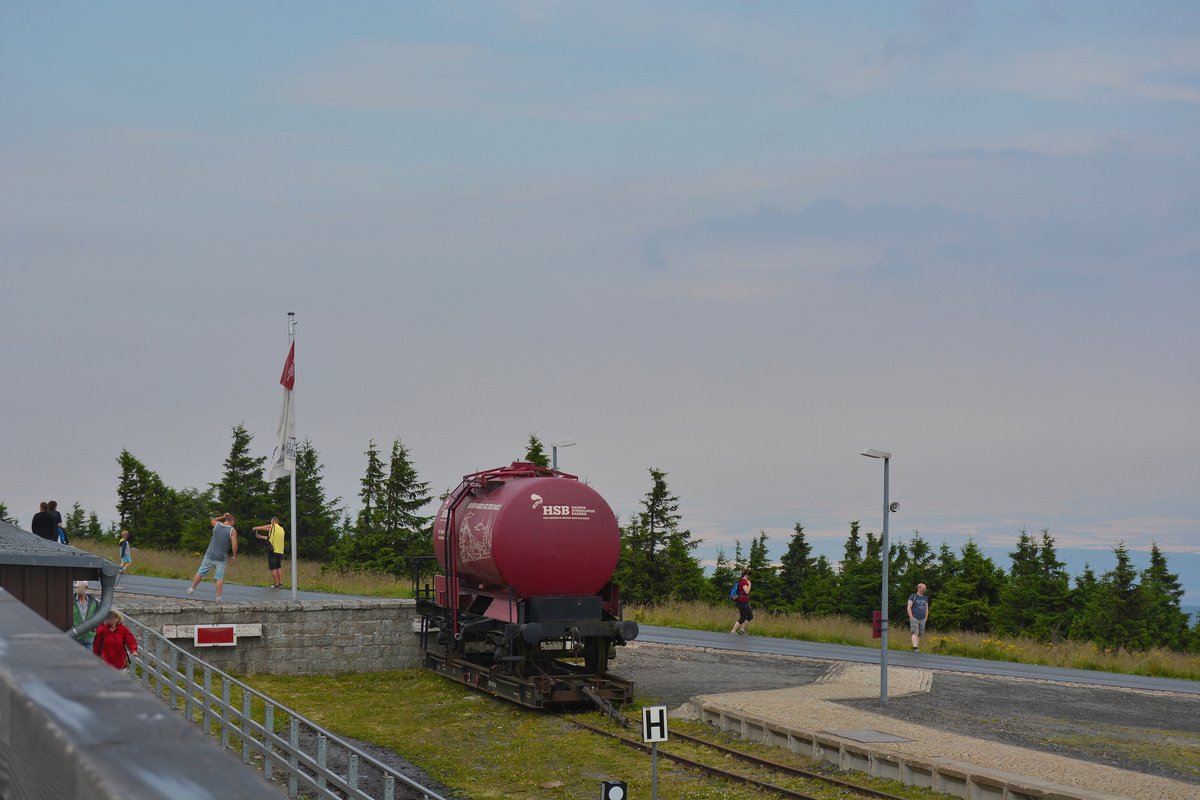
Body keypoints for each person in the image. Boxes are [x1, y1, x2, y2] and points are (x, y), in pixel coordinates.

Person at [186, 513, 238, 601]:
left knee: (200, 572)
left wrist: (222, 516)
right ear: (231, 521)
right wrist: (234, 556)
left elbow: (212, 520)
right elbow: (234, 546)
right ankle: (218, 597)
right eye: (234, 522)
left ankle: (191, 589)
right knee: (219, 577)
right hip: (221, 558)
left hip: (210, 554)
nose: (234, 524)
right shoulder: (232, 530)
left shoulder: (217, 525)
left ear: (225, 519)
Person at [251, 516, 286, 589]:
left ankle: (276, 584)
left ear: (273, 521)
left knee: (273, 568)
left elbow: (263, 527)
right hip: (280, 551)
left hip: (273, 550)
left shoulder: (272, 526)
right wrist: (260, 536)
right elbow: (270, 538)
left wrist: (255, 528)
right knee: (278, 567)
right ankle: (281, 583)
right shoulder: (281, 529)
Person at [72, 581, 101, 648]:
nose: (78, 589)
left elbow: (98, 616)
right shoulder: (71, 601)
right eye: (77, 587)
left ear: (86, 588)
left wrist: (95, 628)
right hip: (76, 636)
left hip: (89, 636)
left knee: (89, 657)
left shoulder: (94, 602)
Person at [907, 582, 930, 652]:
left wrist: (926, 618)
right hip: (915, 617)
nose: (924, 589)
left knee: (920, 633)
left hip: (922, 618)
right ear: (919, 588)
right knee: (915, 632)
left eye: (925, 588)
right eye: (923, 588)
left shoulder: (925, 598)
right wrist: (911, 617)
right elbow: (908, 607)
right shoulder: (913, 596)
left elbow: (926, 608)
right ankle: (915, 648)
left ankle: (916, 647)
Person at [730, 569, 753, 636]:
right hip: (742, 602)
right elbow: (747, 591)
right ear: (746, 574)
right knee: (743, 617)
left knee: (750, 616)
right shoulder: (743, 581)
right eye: (749, 575)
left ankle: (742, 630)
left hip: (745, 601)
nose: (750, 576)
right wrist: (750, 584)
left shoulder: (744, 581)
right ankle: (733, 631)